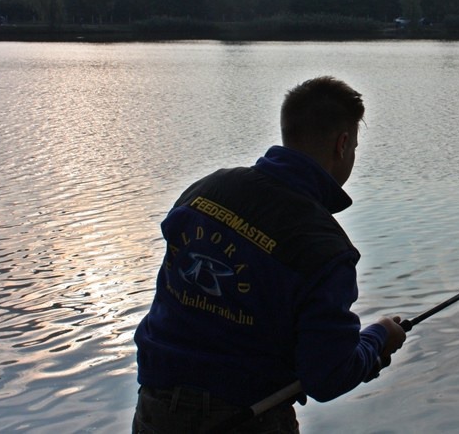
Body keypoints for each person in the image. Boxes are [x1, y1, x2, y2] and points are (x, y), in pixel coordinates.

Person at [133, 76, 406, 433]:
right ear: (342, 145)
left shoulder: (205, 190)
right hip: (247, 418)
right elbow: (327, 376)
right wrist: (379, 338)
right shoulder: (324, 247)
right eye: (353, 147)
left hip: (156, 407)